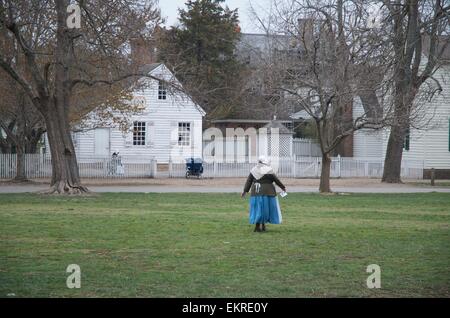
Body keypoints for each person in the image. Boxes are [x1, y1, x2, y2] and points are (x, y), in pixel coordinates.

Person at [241, 155, 286, 232]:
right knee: (265, 209)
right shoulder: (269, 170)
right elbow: (276, 180)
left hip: (256, 192)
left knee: (258, 209)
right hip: (268, 192)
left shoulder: (254, 170)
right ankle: (262, 225)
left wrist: (245, 191)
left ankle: (258, 226)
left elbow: (249, 181)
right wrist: (283, 187)